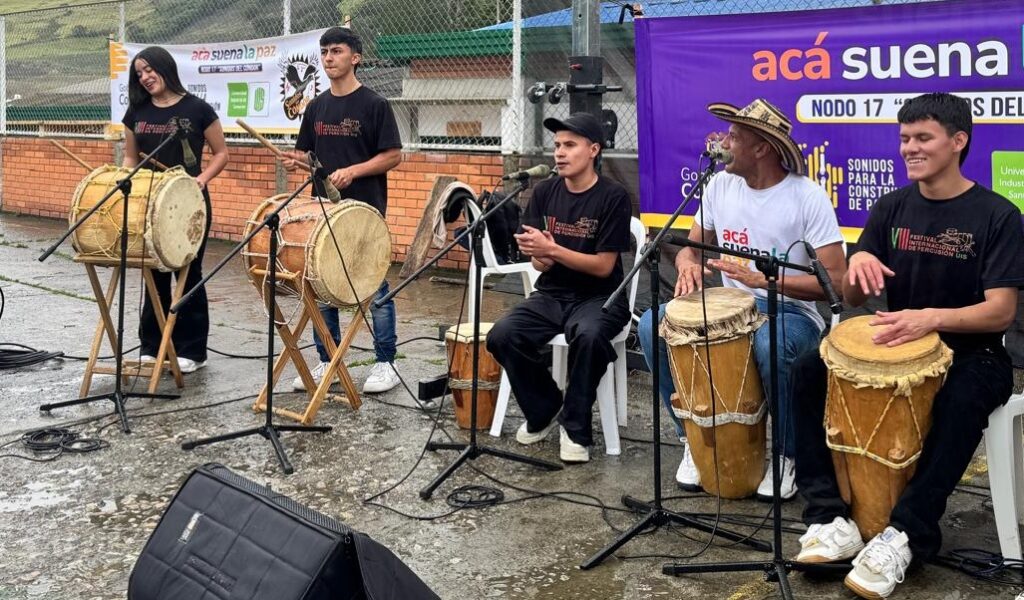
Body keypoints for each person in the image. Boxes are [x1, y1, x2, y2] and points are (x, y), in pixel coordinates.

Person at [791, 93, 1024, 598]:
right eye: (904, 139)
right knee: (808, 369)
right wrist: (856, 267)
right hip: (896, 345)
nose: (909, 149)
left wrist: (931, 319)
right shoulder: (891, 207)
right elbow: (852, 295)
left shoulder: (997, 215)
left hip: (974, 352)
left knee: (963, 397)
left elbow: (1002, 309)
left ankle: (907, 534)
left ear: (958, 141)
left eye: (923, 138)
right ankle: (830, 517)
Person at [637, 98, 846, 499]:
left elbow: (834, 282)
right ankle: (693, 439)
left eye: (733, 136)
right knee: (652, 325)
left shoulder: (806, 197)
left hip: (792, 312)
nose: (722, 142)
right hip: (729, 307)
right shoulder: (719, 185)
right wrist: (688, 265)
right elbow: (690, 248)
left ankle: (787, 455)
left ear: (761, 148)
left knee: (771, 344)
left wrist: (764, 281)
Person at [485, 113, 631, 464]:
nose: (560, 153)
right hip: (552, 294)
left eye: (570, 145)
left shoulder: (614, 197)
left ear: (593, 150)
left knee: (590, 336)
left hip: (600, 297)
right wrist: (541, 255)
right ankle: (545, 408)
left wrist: (552, 249)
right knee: (501, 335)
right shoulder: (544, 191)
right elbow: (540, 264)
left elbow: (604, 266)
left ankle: (576, 425)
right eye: (556, 146)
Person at [282, 27, 403, 394]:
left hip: (362, 211)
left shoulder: (374, 105)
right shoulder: (316, 107)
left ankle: (386, 364)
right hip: (322, 211)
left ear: (356, 57)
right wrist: (296, 161)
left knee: (374, 287)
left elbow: (393, 155)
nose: (329, 58)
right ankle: (328, 360)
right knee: (320, 283)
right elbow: (309, 155)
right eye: (324, 52)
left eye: (336, 51)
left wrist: (354, 170)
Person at [123, 46, 229, 373]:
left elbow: (221, 153)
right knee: (154, 274)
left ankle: (193, 351)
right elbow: (130, 158)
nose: (145, 77)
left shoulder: (197, 109)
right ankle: (153, 346)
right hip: (150, 202)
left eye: (149, 69)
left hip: (189, 203)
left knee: (188, 273)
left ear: (165, 68)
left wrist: (202, 179)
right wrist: (128, 180)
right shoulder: (136, 112)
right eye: (139, 73)